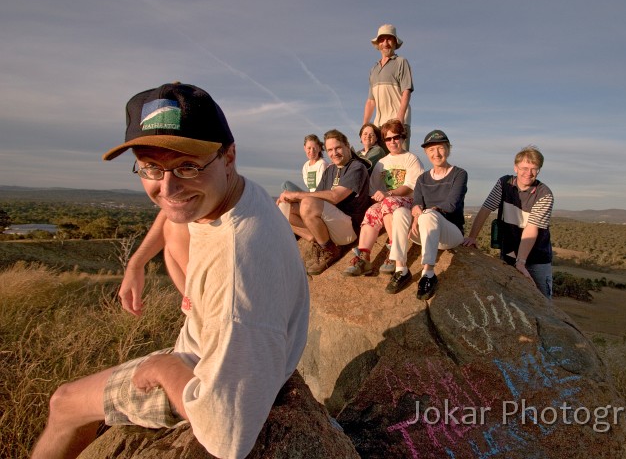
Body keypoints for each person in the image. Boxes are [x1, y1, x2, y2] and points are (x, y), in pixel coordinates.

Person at [31, 83, 310, 459]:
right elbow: (172, 210)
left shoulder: (235, 272)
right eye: (150, 166)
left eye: (187, 165)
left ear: (229, 156)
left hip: (203, 372)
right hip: (237, 349)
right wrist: (136, 262)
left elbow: (227, 437)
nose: (167, 186)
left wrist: (164, 368)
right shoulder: (235, 195)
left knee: (64, 403)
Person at [463, 145, 554, 300]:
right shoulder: (504, 184)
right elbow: (486, 209)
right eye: (524, 168)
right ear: (516, 168)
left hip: (537, 258)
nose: (529, 173)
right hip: (509, 253)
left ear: (539, 170)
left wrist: (521, 262)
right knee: (509, 299)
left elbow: (531, 229)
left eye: (534, 169)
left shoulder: (544, 194)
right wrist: (472, 237)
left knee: (543, 299)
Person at [276, 129, 372, 275]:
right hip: (331, 222)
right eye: (330, 150)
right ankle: (316, 239)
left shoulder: (356, 167)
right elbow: (316, 194)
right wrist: (290, 199)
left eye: (338, 147)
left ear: (347, 146)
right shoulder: (330, 169)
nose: (334, 153)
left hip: (349, 227)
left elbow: (335, 197)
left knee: (308, 203)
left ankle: (330, 250)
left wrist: (296, 194)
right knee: (283, 207)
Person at [386, 130, 468, 300]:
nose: (436, 153)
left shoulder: (459, 174)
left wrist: (424, 213)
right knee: (401, 212)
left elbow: (451, 204)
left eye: (440, 148)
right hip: (424, 232)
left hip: (449, 234)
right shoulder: (423, 178)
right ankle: (401, 269)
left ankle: (428, 274)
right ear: (426, 152)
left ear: (448, 149)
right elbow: (417, 202)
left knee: (429, 214)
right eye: (431, 150)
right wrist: (416, 211)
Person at [343, 120, 423, 276]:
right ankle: (364, 257)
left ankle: (394, 252)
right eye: (388, 138)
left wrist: (389, 194)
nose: (392, 141)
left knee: (388, 201)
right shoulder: (382, 163)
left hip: (408, 202)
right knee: (372, 211)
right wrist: (379, 199)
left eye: (396, 137)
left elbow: (410, 186)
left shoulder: (411, 159)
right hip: (388, 204)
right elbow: (374, 189)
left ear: (403, 138)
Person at [363, 24, 414, 151]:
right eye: (382, 39)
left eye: (389, 39)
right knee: (379, 164)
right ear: (378, 43)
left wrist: (399, 119)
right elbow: (370, 101)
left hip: (397, 122)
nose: (385, 43)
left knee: (399, 163)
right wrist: (365, 126)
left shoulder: (401, 62)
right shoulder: (373, 69)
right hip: (378, 125)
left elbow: (406, 92)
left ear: (395, 42)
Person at [279, 134, 328, 221]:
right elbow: (310, 188)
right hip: (308, 195)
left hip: (318, 198)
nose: (311, 151)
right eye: (309, 148)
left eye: (314, 148)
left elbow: (321, 189)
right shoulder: (306, 166)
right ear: (304, 148)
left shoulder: (322, 164)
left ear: (319, 148)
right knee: (285, 186)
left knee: (285, 194)